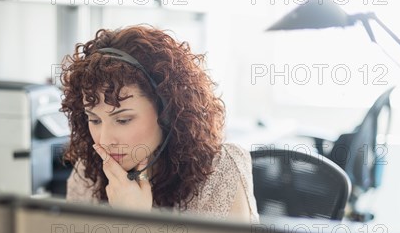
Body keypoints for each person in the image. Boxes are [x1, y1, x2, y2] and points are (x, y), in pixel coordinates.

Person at [61, 25, 259, 222]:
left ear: (167, 112)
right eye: (94, 120)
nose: (104, 140)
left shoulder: (220, 171)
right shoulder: (88, 173)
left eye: (123, 120)